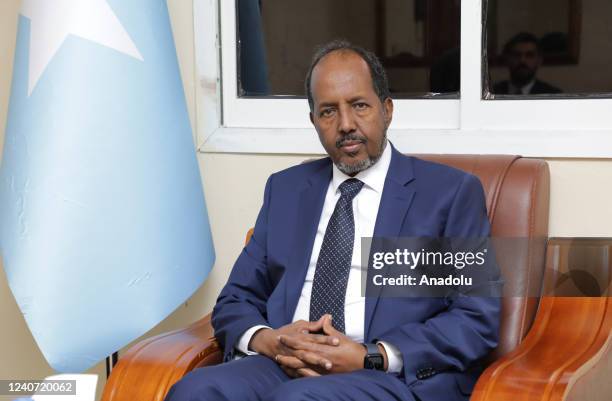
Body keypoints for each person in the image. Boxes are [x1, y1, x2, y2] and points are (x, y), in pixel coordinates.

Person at [164, 40, 501, 401]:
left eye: (359, 106)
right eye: (328, 111)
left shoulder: (446, 195)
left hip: (386, 376)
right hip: (282, 363)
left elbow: (474, 317)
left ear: (386, 109)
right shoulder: (287, 191)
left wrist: (371, 355)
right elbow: (236, 299)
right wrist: (271, 341)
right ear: (313, 121)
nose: (345, 124)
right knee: (195, 390)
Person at [492, 32, 562, 95]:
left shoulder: (552, 95)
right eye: (517, 55)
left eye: (529, 55)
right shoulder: (492, 93)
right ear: (507, 59)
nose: (522, 60)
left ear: (539, 61)